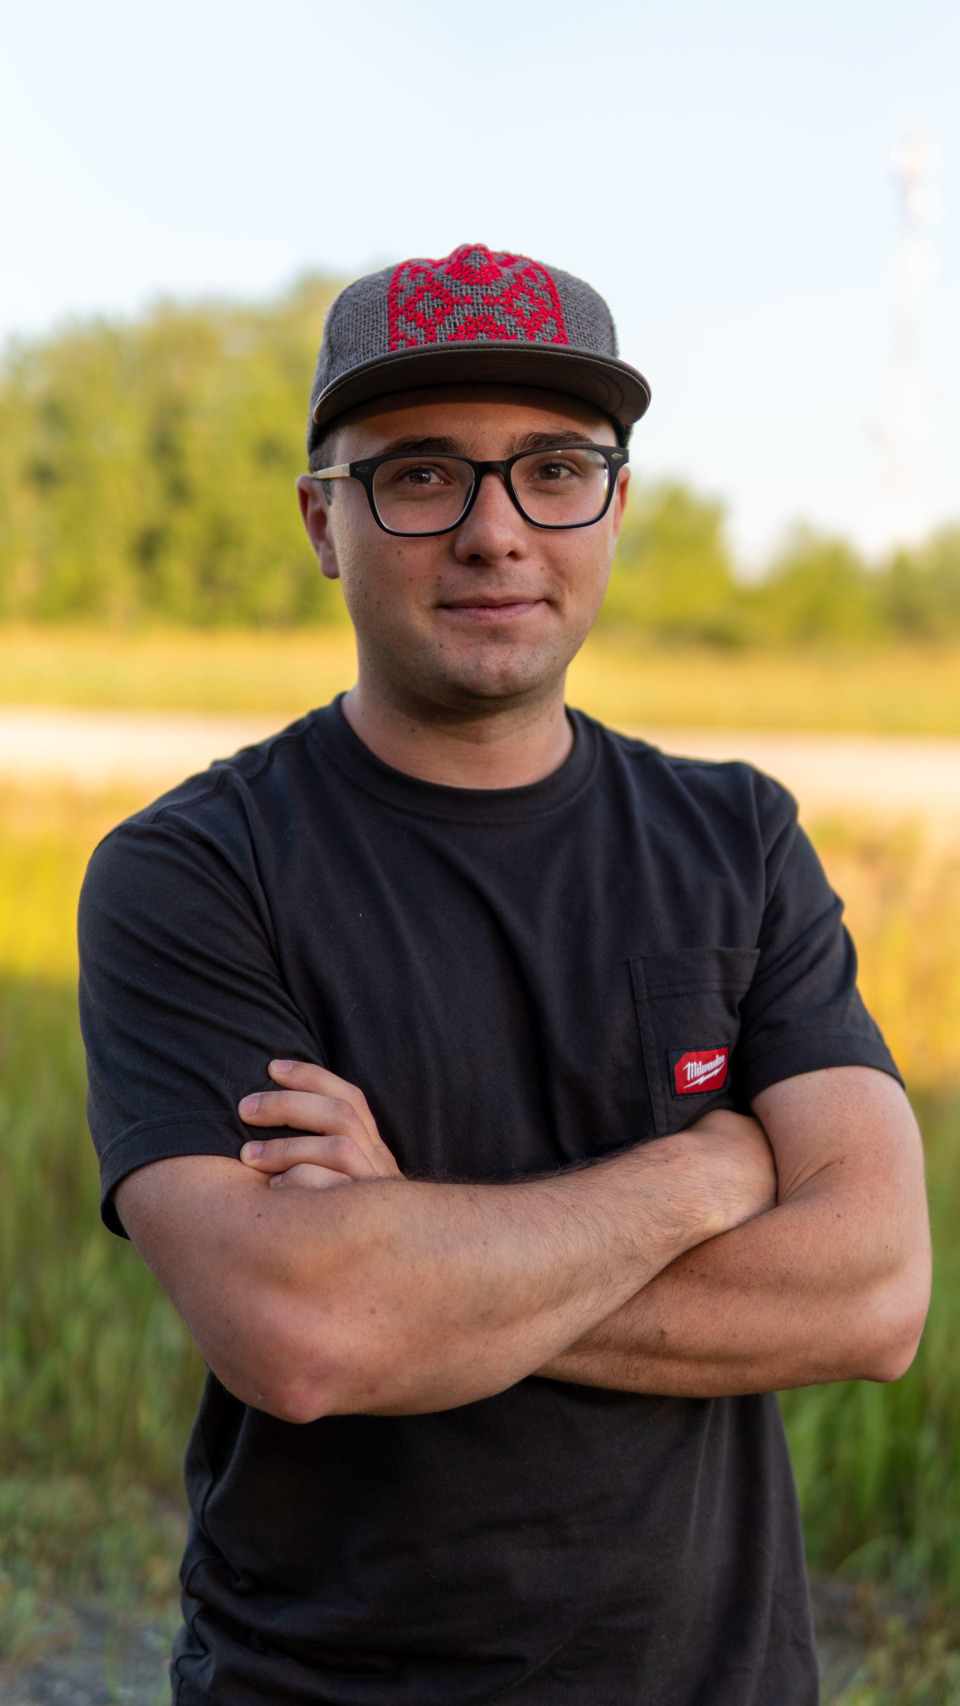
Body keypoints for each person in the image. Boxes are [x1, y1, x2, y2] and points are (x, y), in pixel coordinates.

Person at [78, 243, 931, 1706]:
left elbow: (873, 1294)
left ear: (616, 507)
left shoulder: (740, 840)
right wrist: (708, 1176)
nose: (495, 533)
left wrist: (411, 1254)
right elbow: (305, 1332)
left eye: (554, 470)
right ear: (324, 520)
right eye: (420, 475)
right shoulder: (194, 872)